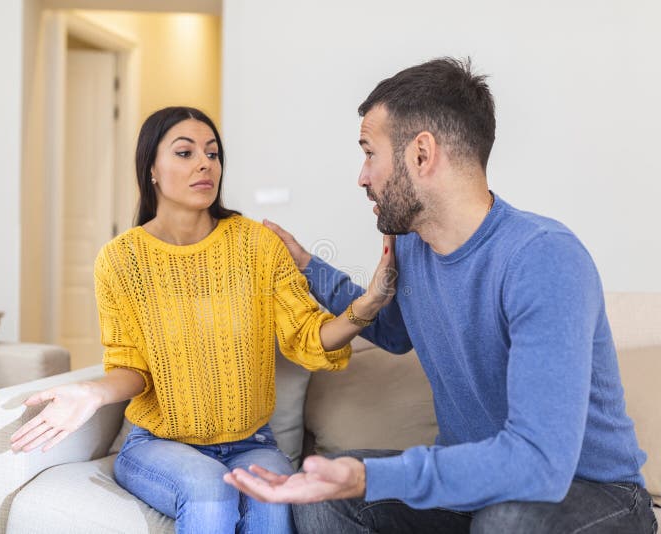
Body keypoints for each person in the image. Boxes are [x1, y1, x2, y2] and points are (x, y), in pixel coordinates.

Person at [223, 58, 658, 533]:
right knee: (325, 498)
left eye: (370, 153)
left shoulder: (542, 259)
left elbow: (540, 465)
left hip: (592, 494)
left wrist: (369, 475)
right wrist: (308, 266)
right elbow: (394, 334)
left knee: (507, 520)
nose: (362, 176)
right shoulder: (413, 244)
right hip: (475, 488)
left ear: (422, 155)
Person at [9, 106, 397, 534]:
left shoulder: (255, 244)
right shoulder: (121, 260)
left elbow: (306, 336)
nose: (204, 163)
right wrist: (91, 393)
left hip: (252, 442)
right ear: (151, 169)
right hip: (158, 445)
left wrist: (370, 303)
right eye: (184, 152)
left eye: (212, 154)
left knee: (272, 508)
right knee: (210, 490)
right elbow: (131, 367)